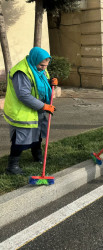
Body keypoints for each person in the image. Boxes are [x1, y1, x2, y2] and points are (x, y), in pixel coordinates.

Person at [3, 47, 56, 175]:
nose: (44, 68)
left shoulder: (40, 69)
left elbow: (41, 83)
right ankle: (12, 166)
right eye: (41, 65)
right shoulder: (21, 72)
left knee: (37, 134)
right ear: (34, 60)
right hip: (22, 111)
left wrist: (51, 82)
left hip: (37, 109)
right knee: (20, 138)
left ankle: (37, 156)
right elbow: (23, 95)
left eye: (46, 65)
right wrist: (43, 106)